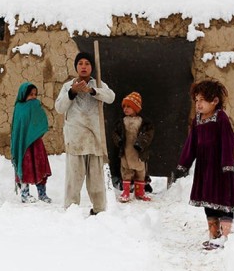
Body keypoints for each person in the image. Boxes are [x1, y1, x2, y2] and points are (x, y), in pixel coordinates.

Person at [176, 79, 234, 250]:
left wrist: (227, 164)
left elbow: (228, 141)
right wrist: (185, 162)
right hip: (205, 169)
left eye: (202, 100)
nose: (198, 104)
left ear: (215, 101)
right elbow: (192, 143)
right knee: (208, 203)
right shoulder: (197, 120)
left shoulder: (221, 118)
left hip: (220, 168)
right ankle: (214, 236)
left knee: (224, 202)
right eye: (196, 100)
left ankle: (225, 237)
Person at [55, 52, 115, 215]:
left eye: (87, 63)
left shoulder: (99, 84)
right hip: (75, 139)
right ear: (76, 67)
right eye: (80, 63)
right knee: (74, 179)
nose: (83, 66)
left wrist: (92, 91)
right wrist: (72, 93)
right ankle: (71, 210)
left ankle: (99, 210)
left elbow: (111, 97)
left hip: (95, 138)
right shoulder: (68, 86)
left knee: (96, 181)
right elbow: (59, 107)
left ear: (91, 67)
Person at [11, 82, 52, 203]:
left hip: (36, 144)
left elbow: (41, 121)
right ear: (24, 95)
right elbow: (18, 128)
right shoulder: (19, 108)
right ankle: (24, 194)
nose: (33, 97)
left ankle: (42, 194)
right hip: (23, 146)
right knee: (25, 168)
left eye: (35, 94)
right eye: (30, 94)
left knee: (39, 166)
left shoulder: (36, 106)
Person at [112, 92, 154, 202]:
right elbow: (115, 133)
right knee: (126, 171)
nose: (125, 109)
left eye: (129, 106)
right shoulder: (122, 122)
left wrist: (142, 142)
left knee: (140, 172)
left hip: (139, 153)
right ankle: (126, 192)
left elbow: (148, 134)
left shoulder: (143, 122)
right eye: (124, 106)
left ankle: (140, 192)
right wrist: (119, 141)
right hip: (126, 151)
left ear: (136, 108)